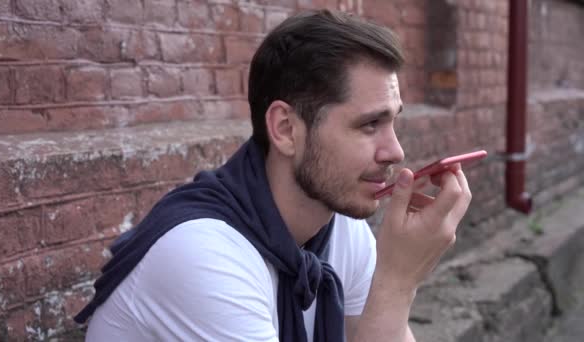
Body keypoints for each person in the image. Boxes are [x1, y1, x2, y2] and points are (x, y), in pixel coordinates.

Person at [76, 9, 472, 342]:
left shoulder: (339, 229)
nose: (396, 152)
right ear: (285, 129)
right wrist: (398, 280)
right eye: (370, 125)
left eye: (392, 123)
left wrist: (396, 280)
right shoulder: (203, 256)